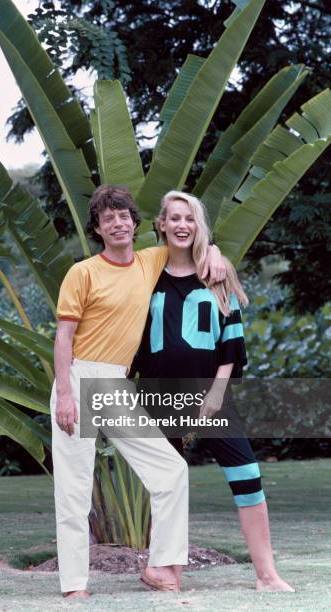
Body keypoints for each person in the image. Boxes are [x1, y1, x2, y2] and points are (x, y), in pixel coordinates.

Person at [50, 184, 226, 598]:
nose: (117, 223)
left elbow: (194, 242)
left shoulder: (151, 260)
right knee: (74, 490)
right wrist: (63, 394)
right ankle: (74, 586)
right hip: (78, 378)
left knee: (171, 471)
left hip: (115, 383)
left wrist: (215, 252)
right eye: (107, 218)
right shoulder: (83, 272)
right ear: (97, 228)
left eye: (123, 215)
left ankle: (161, 569)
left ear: (135, 223)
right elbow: (63, 337)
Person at [130, 190, 294, 592]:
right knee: (168, 484)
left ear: (198, 226)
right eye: (174, 218)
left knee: (247, 475)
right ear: (162, 225)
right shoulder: (145, 277)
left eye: (190, 218)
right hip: (158, 396)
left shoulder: (217, 274)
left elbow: (231, 345)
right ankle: (169, 574)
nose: (182, 225)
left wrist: (217, 394)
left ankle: (267, 576)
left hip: (210, 395)